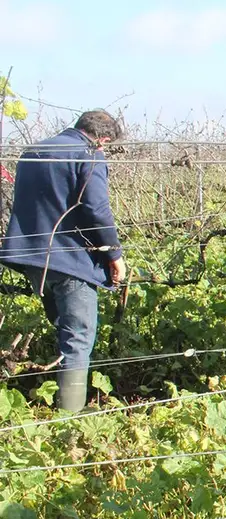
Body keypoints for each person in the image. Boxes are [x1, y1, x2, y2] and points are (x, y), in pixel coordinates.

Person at [0, 109, 127, 413]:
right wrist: (114, 254)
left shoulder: (34, 150)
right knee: (78, 339)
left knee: (64, 331)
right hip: (70, 259)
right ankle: (68, 420)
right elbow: (95, 208)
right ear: (103, 139)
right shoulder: (89, 153)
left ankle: (53, 406)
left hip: (33, 259)